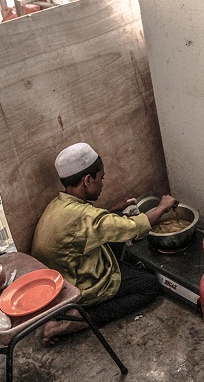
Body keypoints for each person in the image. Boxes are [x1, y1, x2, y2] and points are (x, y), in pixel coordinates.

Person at [31, 142, 178, 343]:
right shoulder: (86, 216)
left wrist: (113, 210)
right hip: (75, 285)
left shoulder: (59, 204)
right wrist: (163, 207)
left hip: (60, 275)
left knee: (117, 232)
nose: (103, 183)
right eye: (101, 178)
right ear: (88, 180)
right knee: (149, 286)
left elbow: (89, 227)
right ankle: (73, 322)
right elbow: (134, 227)